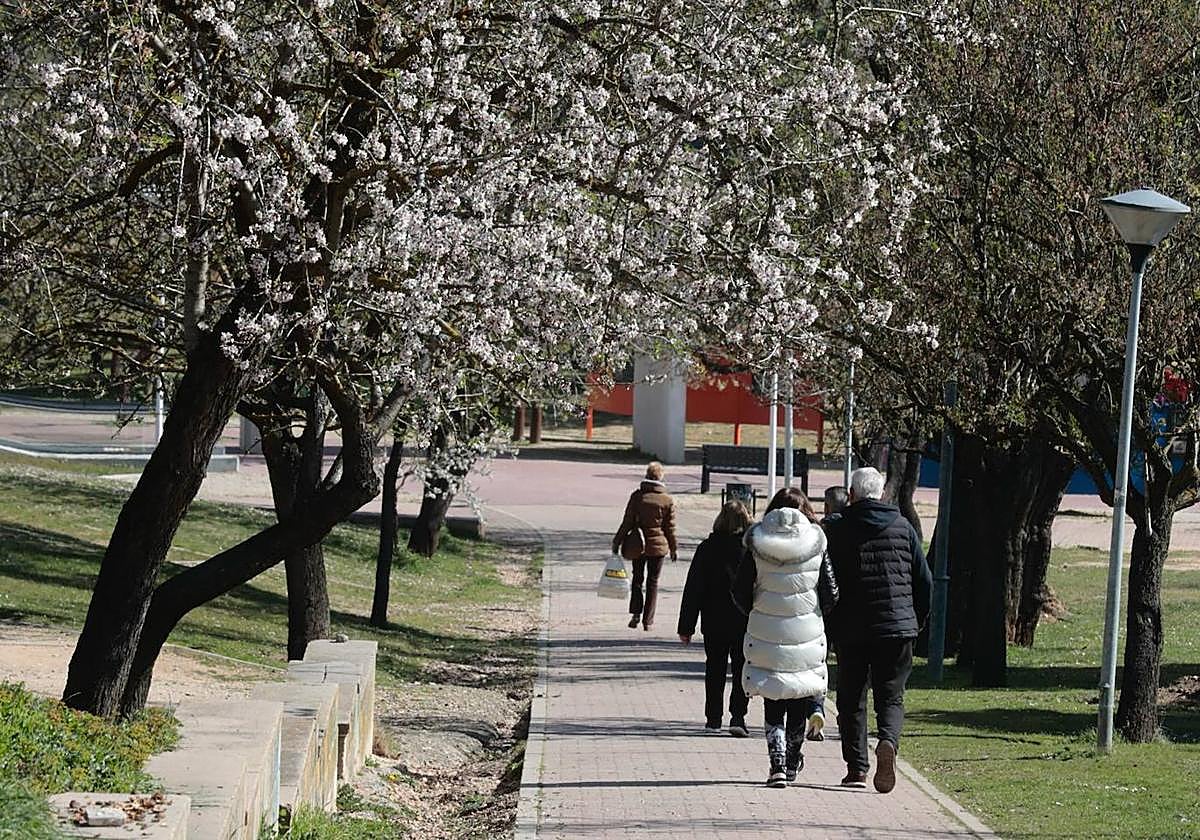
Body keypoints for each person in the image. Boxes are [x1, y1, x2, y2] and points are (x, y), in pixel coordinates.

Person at [825, 467, 932, 794]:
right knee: (891, 695)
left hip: (851, 628)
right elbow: (923, 580)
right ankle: (888, 741)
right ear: (882, 493)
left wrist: (828, 624)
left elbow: (825, 580)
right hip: (897, 628)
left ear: (852, 494)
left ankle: (857, 768)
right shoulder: (903, 527)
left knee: (851, 697)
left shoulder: (837, 530)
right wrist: (916, 620)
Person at [733, 487, 837, 787]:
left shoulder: (757, 544)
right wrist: (815, 614)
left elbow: (739, 591)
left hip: (766, 631)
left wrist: (757, 611)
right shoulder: (817, 544)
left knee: (774, 699)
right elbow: (831, 592)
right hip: (806, 632)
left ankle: (776, 763)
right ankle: (792, 760)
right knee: (800, 699)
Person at [677, 500, 753, 737]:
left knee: (715, 667)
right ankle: (738, 716)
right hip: (744, 620)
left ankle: (713, 718)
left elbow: (694, 589)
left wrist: (686, 626)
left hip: (714, 619)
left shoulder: (707, 549)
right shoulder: (750, 551)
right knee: (742, 668)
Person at [612, 461, 678, 631]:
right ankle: (648, 621)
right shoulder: (667, 500)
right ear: (661, 477)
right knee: (653, 582)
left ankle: (635, 613)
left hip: (638, 544)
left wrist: (617, 541)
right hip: (658, 547)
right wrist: (673, 548)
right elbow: (669, 528)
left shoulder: (637, 497)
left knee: (637, 579)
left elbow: (627, 522)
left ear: (647, 476)